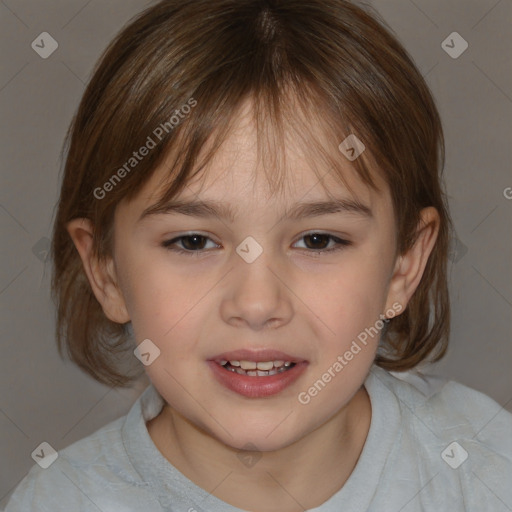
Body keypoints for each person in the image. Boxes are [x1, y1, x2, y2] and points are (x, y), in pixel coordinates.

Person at [4, 1, 511, 511]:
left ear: (403, 264)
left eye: (318, 240)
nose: (256, 303)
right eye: (193, 241)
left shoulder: (487, 468)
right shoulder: (58, 501)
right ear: (106, 271)